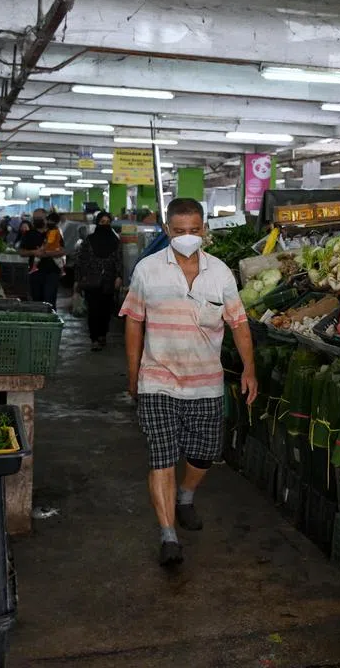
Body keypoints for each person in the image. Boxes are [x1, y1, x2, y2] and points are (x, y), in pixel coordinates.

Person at [119, 197, 258, 567]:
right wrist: (133, 375)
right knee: (161, 458)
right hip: (158, 378)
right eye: (179, 231)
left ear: (204, 229)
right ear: (167, 231)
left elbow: (239, 323)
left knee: (204, 453)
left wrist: (249, 369)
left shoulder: (221, 273)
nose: (187, 237)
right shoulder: (148, 270)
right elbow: (134, 321)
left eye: (194, 230)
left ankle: (186, 496)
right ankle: (168, 536)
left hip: (205, 381)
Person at [74, 211, 123, 351]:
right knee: (93, 310)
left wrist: (119, 276)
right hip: (91, 280)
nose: (105, 225)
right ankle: (94, 338)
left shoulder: (115, 241)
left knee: (106, 310)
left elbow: (118, 260)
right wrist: (78, 279)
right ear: (97, 223)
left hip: (109, 280)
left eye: (108, 222)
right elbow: (81, 261)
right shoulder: (89, 240)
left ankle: (103, 334)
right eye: (102, 222)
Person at [18, 208, 64, 307]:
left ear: (46, 218)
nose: (36, 220)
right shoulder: (29, 234)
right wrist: (34, 252)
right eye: (35, 218)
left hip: (52, 272)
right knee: (37, 300)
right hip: (35, 273)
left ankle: (51, 320)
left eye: (39, 218)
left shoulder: (54, 232)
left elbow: (62, 251)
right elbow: (21, 252)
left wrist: (46, 253)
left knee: (49, 301)